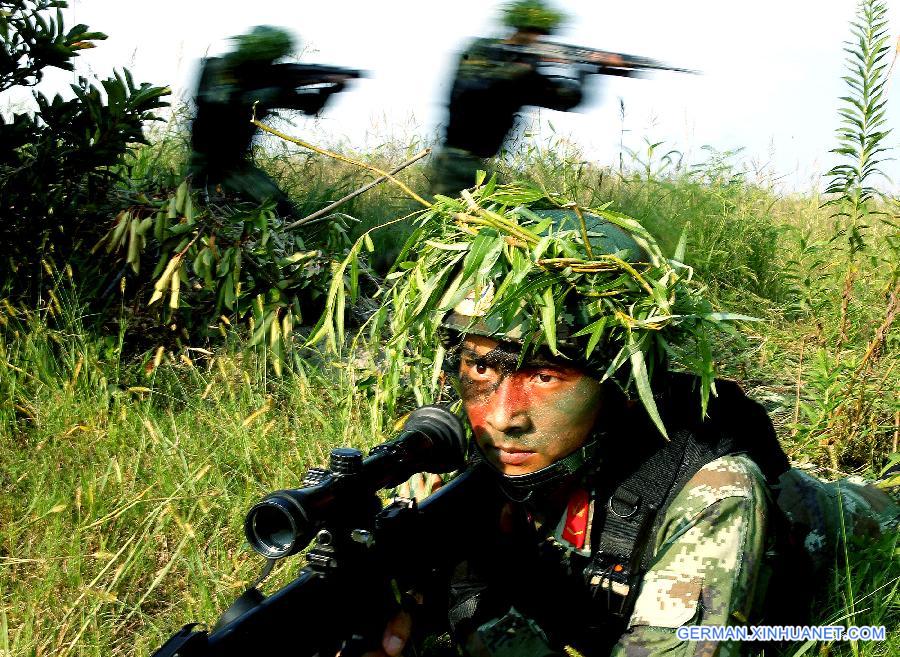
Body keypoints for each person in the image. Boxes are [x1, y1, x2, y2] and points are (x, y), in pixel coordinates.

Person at [362, 190, 898, 657]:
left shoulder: (713, 492)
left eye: (545, 375)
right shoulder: (448, 466)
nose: (502, 417)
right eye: (482, 368)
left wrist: (474, 604)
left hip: (852, 532)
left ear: (619, 384)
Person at [431, 0, 593, 196]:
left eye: (541, 35)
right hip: (454, 162)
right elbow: (474, 88)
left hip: (478, 166)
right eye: (531, 33)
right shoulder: (482, 51)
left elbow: (565, 100)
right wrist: (522, 69)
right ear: (516, 30)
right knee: (440, 220)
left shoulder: (526, 76)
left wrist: (587, 70)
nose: (536, 39)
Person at [189, 26, 353, 216]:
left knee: (283, 210)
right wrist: (277, 89)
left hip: (234, 165)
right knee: (207, 206)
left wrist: (331, 88)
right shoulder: (216, 68)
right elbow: (220, 100)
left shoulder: (269, 82)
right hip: (207, 164)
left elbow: (308, 106)